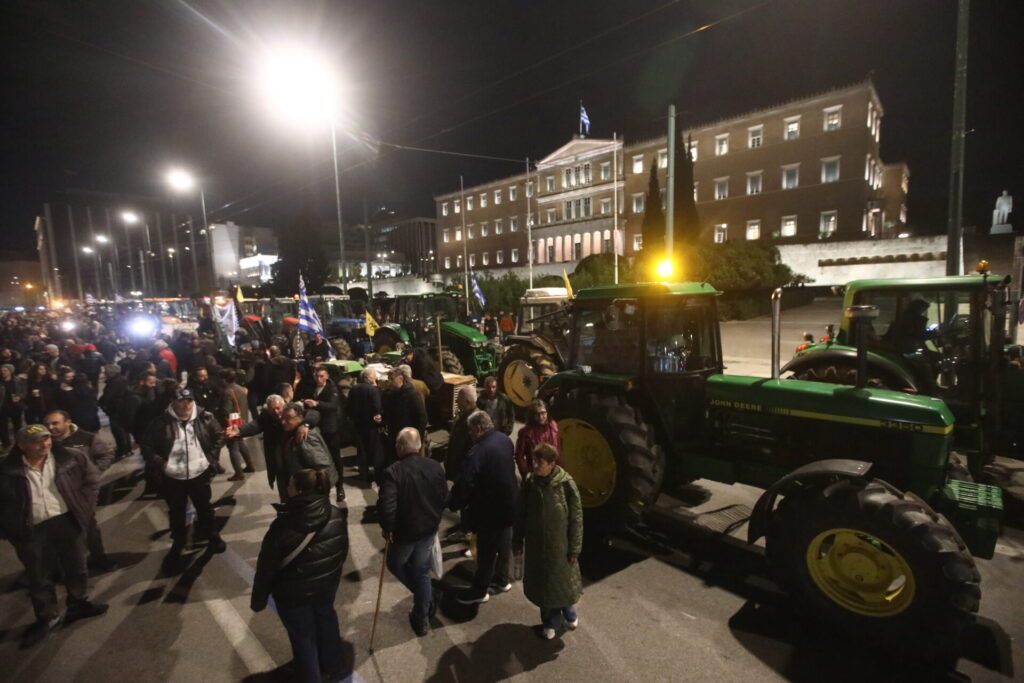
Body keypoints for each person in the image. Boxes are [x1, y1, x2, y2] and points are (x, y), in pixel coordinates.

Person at [0, 424, 108, 648]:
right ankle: (48, 617)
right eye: (37, 441)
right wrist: (9, 528)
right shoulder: (7, 470)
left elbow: (91, 480)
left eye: (47, 438)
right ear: (21, 445)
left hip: (66, 520)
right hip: (32, 528)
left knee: (77, 566)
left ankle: (78, 603)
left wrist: (85, 508)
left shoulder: (71, 457)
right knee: (39, 574)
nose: (45, 444)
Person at [251, 469, 348, 683]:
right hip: (326, 585)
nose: (287, 488)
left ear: (300, 491)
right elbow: (342, 549)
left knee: (303, 637)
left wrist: (258, 600)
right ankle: (333, 664)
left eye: (290, 484)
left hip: (293, 593)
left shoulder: (284, 524)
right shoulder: (335, 514)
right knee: (326, 619)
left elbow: (267, 567)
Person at [141, 388, 227, 574]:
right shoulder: (161, 423)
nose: (186, 405)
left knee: (205, 507)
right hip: (173, 477)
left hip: (199, 473)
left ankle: (212, 535)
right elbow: (147, 447)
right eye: (182, 401)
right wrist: (162, 464)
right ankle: (178, 543)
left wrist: (210, 458)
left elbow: (219, 436)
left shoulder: (205, 417)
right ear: (173, 402)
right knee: (177, 512)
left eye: (189, 401)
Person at [379, 427, 448, 636]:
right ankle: (422, 616)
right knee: (421, 572)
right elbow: (445, 497)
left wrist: (387, 529)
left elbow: (387, 506)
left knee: (395, 563)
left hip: (405, 532)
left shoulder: (393, 472)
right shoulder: (435, 467)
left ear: (400, 447)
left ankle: (425, 599)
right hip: (428, 529)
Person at [514, 442, 583, 640]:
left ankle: (569, 613)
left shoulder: (565, 484)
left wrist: (575, 549)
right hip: (537, 547)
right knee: (544, 587)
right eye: (533, 461)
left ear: (552, 464)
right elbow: (521, 514)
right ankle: (549, 622)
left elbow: (576, 519)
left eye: (540, 462)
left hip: (560, 547)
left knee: (562, 584)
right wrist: (517, 541)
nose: (535, 465)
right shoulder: (530, 483)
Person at [450, 411, 518, 604]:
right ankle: (502, 580)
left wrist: (454, 502)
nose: (470, 434)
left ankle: (479, 591)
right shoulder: (504, 440)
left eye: (471, 431)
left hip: (490, 509)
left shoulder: (478, 451)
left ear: (478, 429)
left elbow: (466, 483)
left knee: (486, 551)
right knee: (505, 543)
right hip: (510, 503)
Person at [44, 409, 116, 571]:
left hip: (80, 494)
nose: (50, 427)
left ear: (68, 422)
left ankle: (98, 558)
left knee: (89, 528)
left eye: (55, 423)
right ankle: (63, 565)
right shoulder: (46, 442)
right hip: (55, 494)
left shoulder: (87, 438)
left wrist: (93, 474)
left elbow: (106, 455)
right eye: (48, 424)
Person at [229, 395, 319, 503]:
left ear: (284, 405)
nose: (276, 412)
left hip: (296, 464)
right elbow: (254, 425)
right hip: (279, 464)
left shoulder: (293, 410)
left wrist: (306, 424)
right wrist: (239, 430)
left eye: (278, 408)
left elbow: (314, 413)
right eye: (272, 410)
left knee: (301, 497)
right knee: (285, 496)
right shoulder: (267, 417)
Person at [297, 365, 343, 502]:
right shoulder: (310, 387)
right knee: (319, 460)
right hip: (316, 428)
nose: (319, 379)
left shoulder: (332, 389)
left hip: (330, 429)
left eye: (321, 376)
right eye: (316, 376)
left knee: (335, 458)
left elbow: (332, 406)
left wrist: (316, 404)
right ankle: (321, 487)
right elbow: (301, 397)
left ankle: (340, 488)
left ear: (327, 376)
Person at [279, 403, 338, 494]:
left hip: (311, 491)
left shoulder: (304, 436)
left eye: (288, 418)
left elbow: (321, 466)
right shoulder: (292, 433)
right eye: (282, 418)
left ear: (299, 418)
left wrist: (313, 490)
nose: (283, 422)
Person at [382, 367, 428, 466]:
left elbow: (422, 417)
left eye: (392, 379)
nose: (389, 382)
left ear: (400, 379)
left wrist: (417, 437)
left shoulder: (413, 395)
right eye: (388, 379)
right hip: (395, 436)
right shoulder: (391, 394)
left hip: (409, 438)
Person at [347, 367, 384, 483]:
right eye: (374, 375)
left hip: (358, 425)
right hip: (372, 426)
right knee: (375, 451)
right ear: (369, 377)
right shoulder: (373, 390)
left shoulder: (353, 389)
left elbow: (349, 408)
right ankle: (378, 475)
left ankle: (364, 475)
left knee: (362, 451)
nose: (376, 378)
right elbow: (377, 408)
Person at [221, 368, 254, 481]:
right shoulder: (241, 388)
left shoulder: (227, 392)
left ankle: (238, 473)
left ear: (224, 379)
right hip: (242, 421)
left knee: (232, 447)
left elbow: (226, 411)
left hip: (233, 424)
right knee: (241, 443)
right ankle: (250, 465)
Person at [515, 399, 560, 479]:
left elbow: (559, 449)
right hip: (535, 473)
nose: (540, 417)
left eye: (543, 413)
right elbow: (519, 456)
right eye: (537, 414)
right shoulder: (525, 432)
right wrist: (526, 473)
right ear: (532, 415)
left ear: (547, 412)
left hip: (553, 473)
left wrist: (559, 470)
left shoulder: (553, 427)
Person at [444, 386, 477, 481]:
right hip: (454, 469)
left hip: (463, 473)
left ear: (467, 402)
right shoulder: (462, 415)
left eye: (459, 399)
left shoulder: (475, 421)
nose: (457, 401)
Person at [1, 363, 26, 449]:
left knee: (17, 425)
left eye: (5, 370)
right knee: (2, 426)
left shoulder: (18, 380)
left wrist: (20, 397)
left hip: (15, 406)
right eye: (2, 371)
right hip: (3, 406)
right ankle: (6, 443)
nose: (3, 372)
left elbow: (24, 391)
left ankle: (19, 442)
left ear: (11, 371)